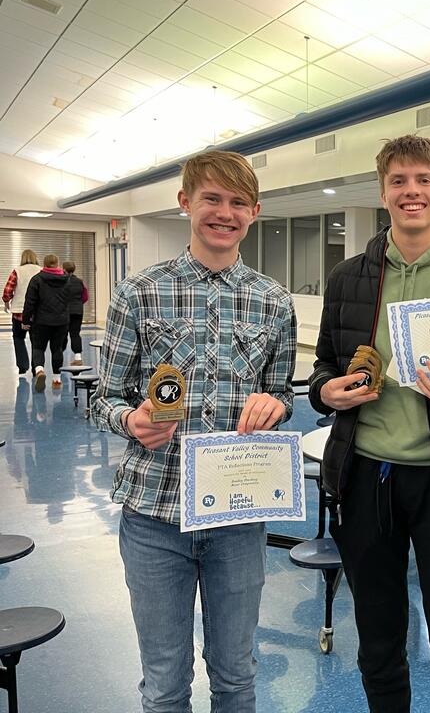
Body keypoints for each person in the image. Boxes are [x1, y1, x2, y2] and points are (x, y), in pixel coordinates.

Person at [308, 135, 430, 713]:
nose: (411, 191)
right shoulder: (348, 276)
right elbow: (324, 364)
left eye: (423, 180)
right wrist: (326, 391)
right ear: (384, 193)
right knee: (377, 639)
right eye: (398, 181)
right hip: (365, 475)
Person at [92, 150, 296, 712]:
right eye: (212, 198)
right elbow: (105, 399)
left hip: (237, 518)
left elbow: (281, 395)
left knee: (236, 676)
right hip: (154, 516)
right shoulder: (139, 292)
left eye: (237, 203)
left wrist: (274, 407)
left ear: (254, 212)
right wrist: (131, 420)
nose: (224, 213)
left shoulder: (273, 301)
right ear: (185, 202)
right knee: (164, 685)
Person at [22, 254, 69, 391]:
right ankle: (57, 380)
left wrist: (25, 320)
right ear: (57, 263)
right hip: (61, 321)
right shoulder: (67, 279)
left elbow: (29, 302)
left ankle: (39, 370)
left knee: (38, 347)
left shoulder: (37, 279)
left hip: (41, 321)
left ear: (44, 264)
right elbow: (72, 299)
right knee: (57, 349)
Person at [2, 248, 42, 375]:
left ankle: (22, 366)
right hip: (37, 312)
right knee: (36, 341)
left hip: (19, 312)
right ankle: (37, 368)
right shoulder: (41, 271)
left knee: (18, 338)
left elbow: (8, 289)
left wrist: (6, 301)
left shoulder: (17, 271)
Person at [62, 260, 89, 365]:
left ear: (63, 269)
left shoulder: (61, 281)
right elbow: (85, 297)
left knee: (62, 334)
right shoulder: (80, 281)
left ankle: (59, 355)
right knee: (75, 334)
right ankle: (78, 358)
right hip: (78, 311)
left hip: (64, 311)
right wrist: (78, 303)